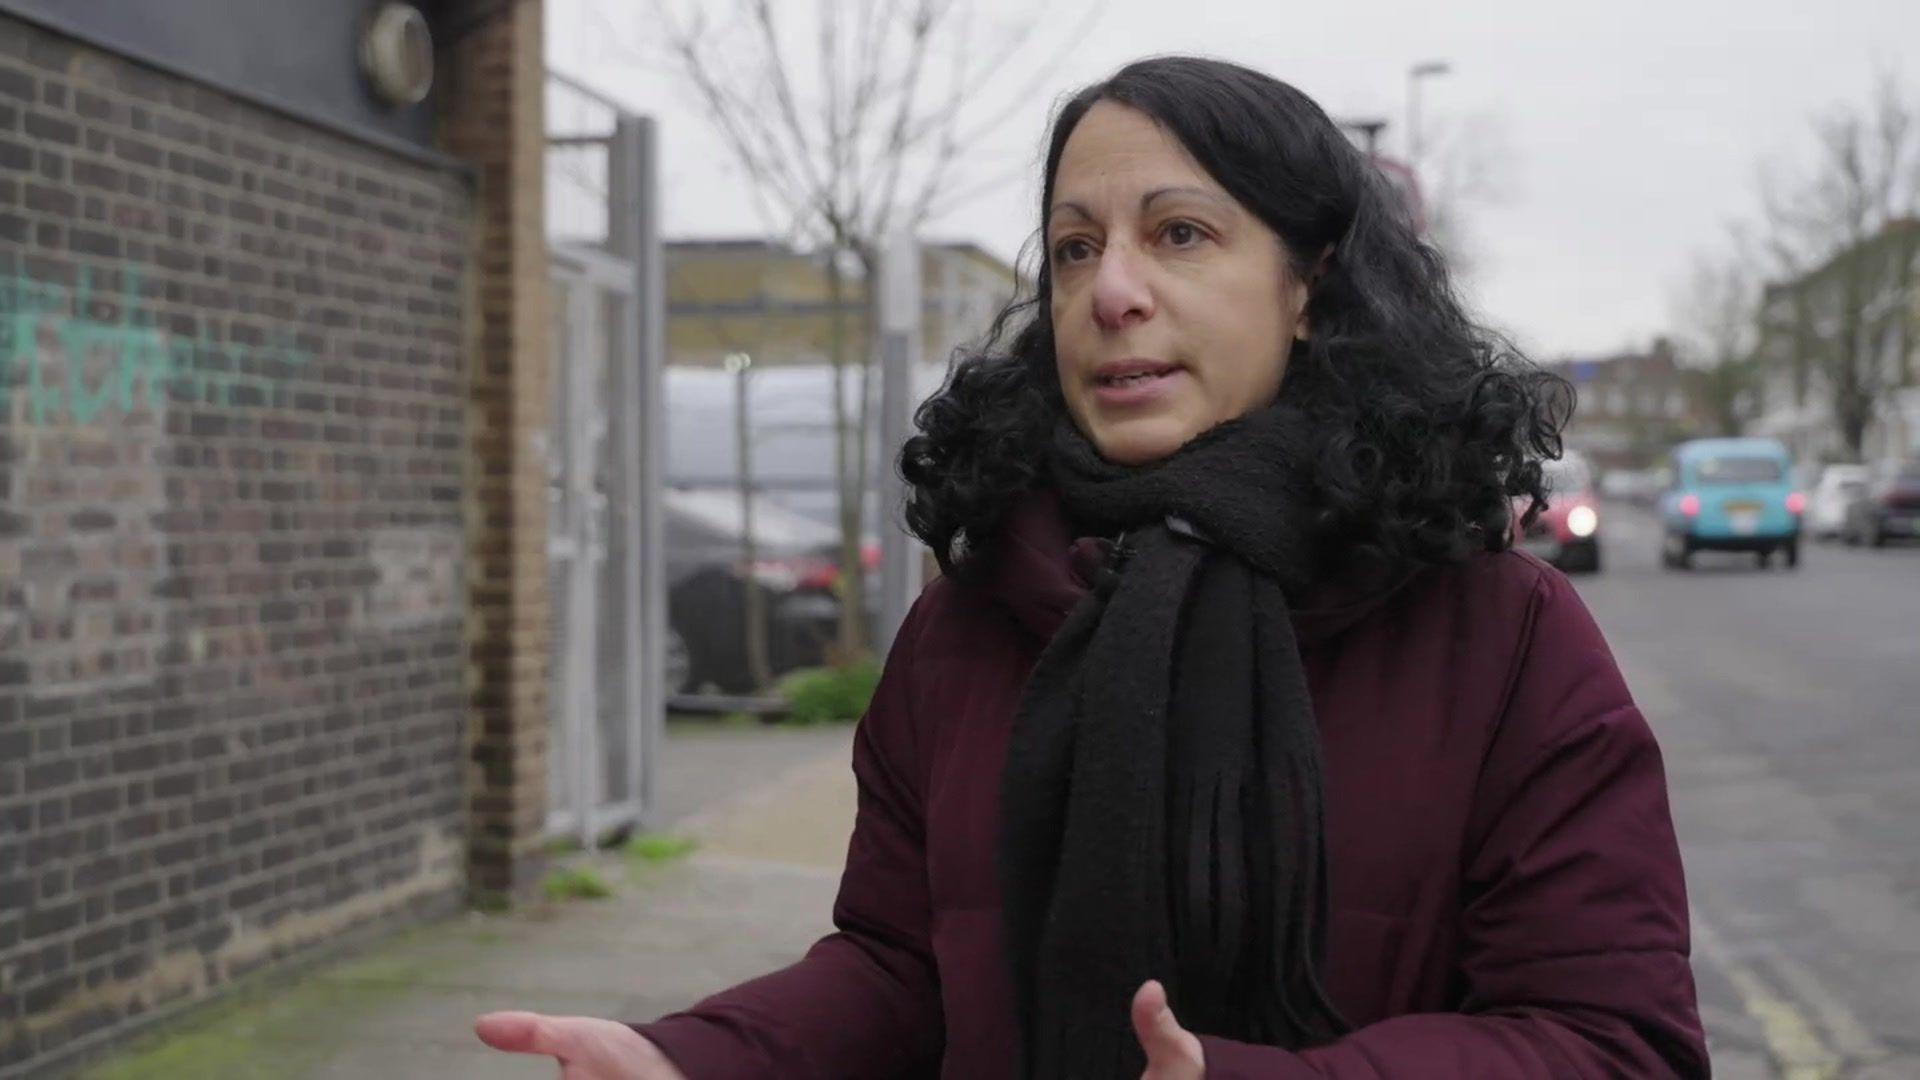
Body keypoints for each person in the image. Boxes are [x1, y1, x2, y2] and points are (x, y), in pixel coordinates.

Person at [474, 56, 1707, 1078]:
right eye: (1073, 249)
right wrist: (696, 1059)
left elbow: (1615, 1043)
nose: (1110, 290)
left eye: (1180, 235)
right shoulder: (973, 619)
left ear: (1309, 292)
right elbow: (906, 969)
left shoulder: (1500, 637)